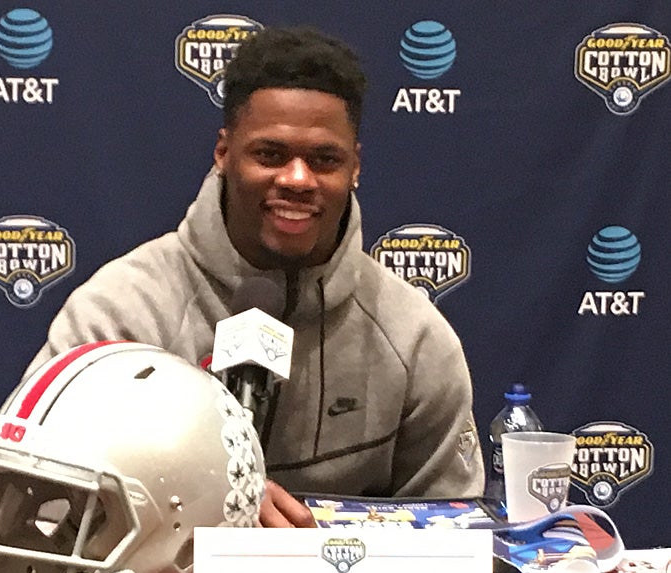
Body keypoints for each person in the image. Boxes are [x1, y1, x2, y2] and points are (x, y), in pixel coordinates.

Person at [25, 25, 484, 526]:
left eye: (324, 160)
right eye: (270, 155)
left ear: (355, 166)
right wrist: (203, 496)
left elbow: (453, 529)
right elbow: (37, 501)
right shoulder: (120, 313)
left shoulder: (414, 338)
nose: (297, 179)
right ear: (224, 153)